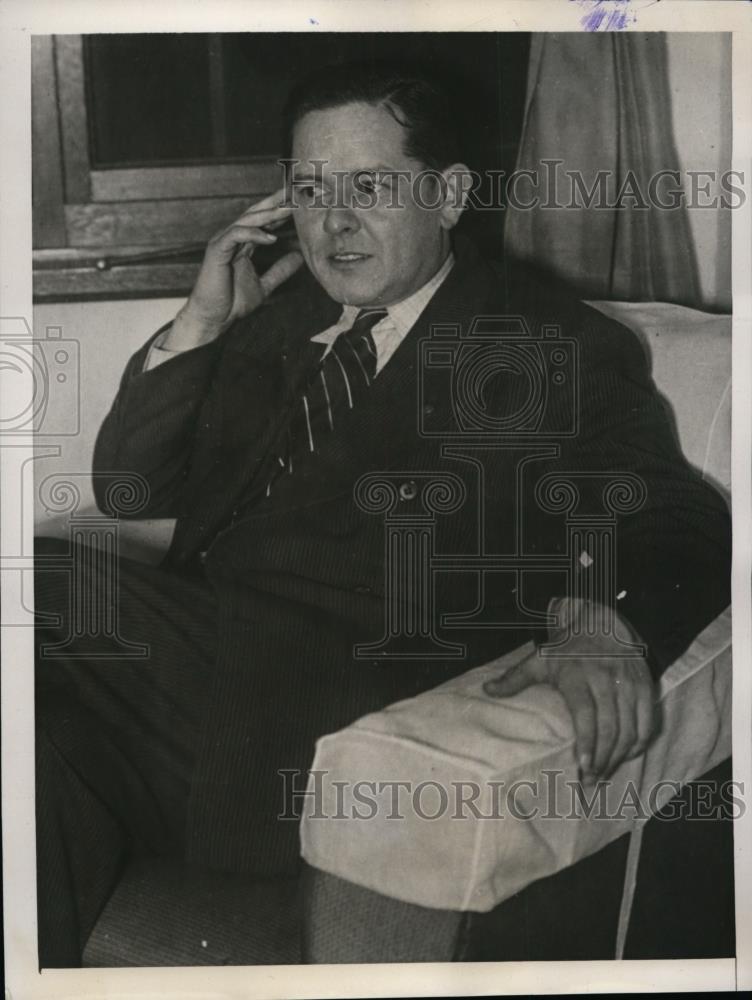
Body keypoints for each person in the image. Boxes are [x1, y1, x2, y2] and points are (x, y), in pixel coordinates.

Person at [34, 59, 731, 967]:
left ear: (448, 195)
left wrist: (604, 619)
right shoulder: (283, 324)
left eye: (369, 185)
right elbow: (136, 482)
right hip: (191, 707)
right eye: (311, 187)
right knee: (31, 750)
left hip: (324, 728)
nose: (333, 219)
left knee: (46, 578)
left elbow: (670, 511)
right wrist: (205, 325)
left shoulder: (536, 341)